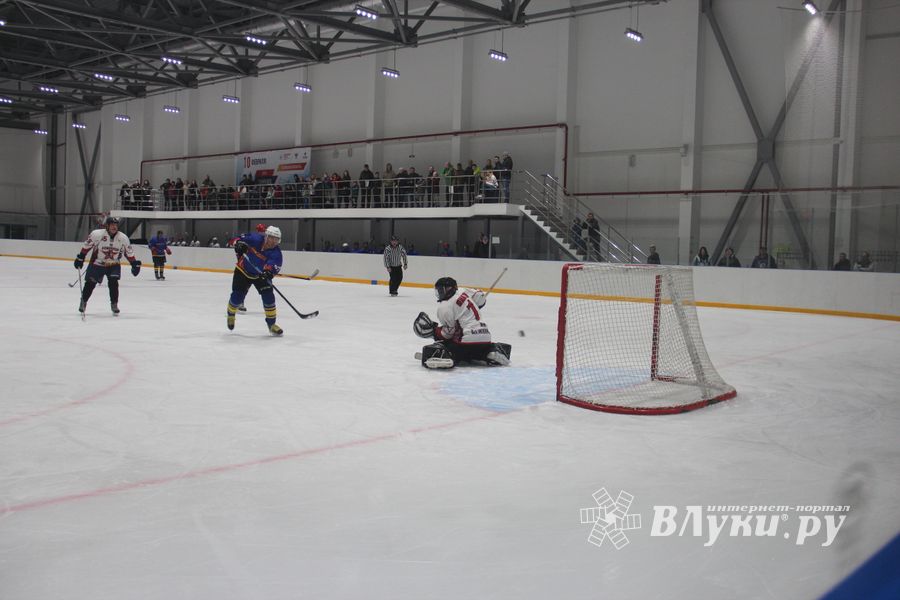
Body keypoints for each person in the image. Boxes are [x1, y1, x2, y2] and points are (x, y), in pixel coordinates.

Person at [413, 277, 511, 369]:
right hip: (486, 339)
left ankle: (448, 356)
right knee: (477, 351)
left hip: (465, 342)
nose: (439, 293)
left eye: (440, 290)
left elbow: (448, 333)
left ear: (447, 289)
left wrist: (436, 332)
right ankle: (489, 352)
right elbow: (479, 295)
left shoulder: (444, 307)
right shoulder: (464, 293)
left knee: (447, 345)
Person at [74, 216, 141, 315]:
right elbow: (87, 246)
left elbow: (128, 252)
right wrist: (81, 257)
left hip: (114, 264)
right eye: (112, 225)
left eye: (116, 225)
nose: (114, 227)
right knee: (90, 283)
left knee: (113, 283)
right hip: (97, 263)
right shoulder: (97, 234)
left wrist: (134, 263)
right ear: (107, 226)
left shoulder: (123, 238)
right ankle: (83, 301)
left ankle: (114, 304)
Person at [227, 226, 284, 336]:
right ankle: (231, 313)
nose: (274, 241)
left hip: (260, 275)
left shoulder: (276, 253)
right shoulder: (255, 238)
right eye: (272, 238)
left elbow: (273, 266)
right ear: (266, 236)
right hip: (242, 270)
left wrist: (268, 273)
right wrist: (238, 244)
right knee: (237, 297)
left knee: (269, 298)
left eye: (276, 239)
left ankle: (272, 324)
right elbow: (235, 239)